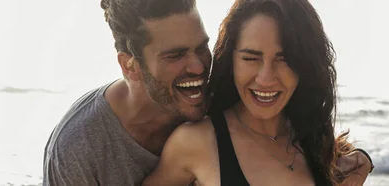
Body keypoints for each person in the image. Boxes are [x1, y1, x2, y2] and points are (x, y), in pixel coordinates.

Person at [43, 0, 372, 185]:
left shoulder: (240, 97)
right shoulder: (78, 149)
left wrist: (359, 163)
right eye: (175, 56)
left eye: (202, 48)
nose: (199, 68)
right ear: (130, 67)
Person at [142, 0, 373, 185]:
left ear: (305, 66)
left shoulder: (312, 138)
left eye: (284, 59)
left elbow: (352, 161)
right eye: (251, 58)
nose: (265, 78)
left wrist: (363, 160)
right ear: (231, 59)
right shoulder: (195, 142)